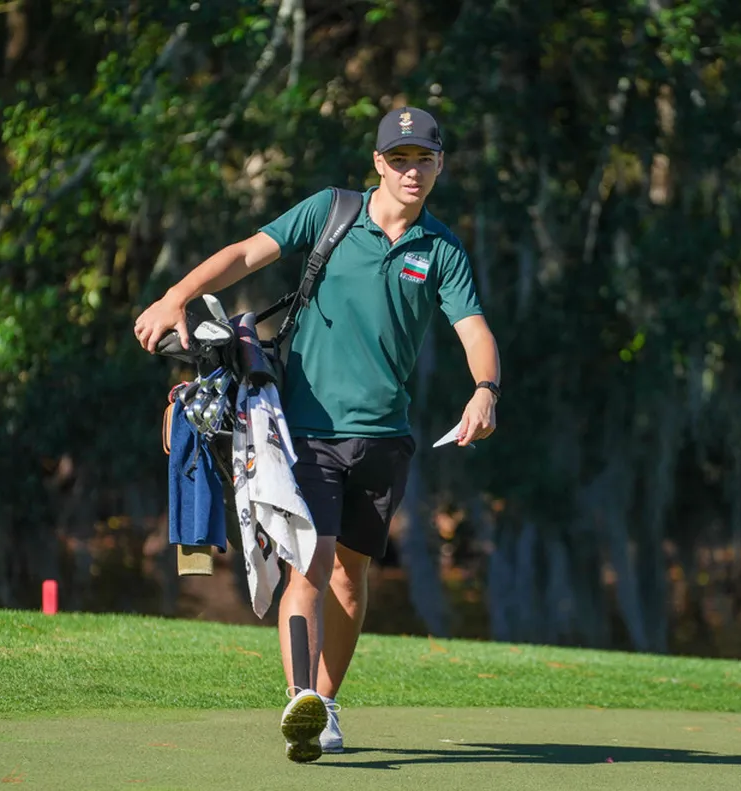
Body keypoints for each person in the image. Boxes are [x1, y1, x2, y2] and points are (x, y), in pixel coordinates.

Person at [133, 105, 501, 762]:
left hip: (384, 438)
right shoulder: (331, 211)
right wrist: (176, 297)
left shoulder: (441, 249)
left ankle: (324, 704)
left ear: (440, 164)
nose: (411, 171)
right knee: (311, 561)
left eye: (423, 159)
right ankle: (299, 697)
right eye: (399, 159)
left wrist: (485, 390)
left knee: (351, 578)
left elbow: (473, 330)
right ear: (378, 163)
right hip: (305, 432)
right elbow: (246, 253)